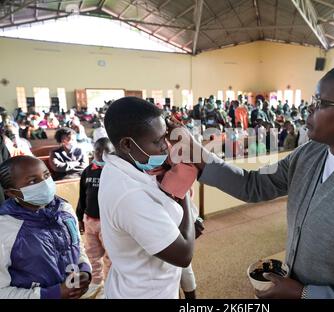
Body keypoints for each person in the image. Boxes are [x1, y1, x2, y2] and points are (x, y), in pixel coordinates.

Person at [176, 62, 334, 299]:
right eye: (312, 100)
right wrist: (201, 156)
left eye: (321, 103)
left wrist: (305, 294)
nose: (309, 110)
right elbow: (254, 184)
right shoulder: (309, 154)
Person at [99, 97, 195, 299]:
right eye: (158, 140)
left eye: (165, 138)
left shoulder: (123, 167)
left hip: (139, 281)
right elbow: (184, 254)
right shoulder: (129, 195)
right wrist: (183, 188)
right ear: (127, 144)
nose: (165, 146)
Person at [0, 156, 91, 299]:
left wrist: (84, 270)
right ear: (11, 193)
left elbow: (77, 247)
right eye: (32, 181)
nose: (45, 183)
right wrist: (52, 294)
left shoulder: (64, 209)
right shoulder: (5, 229)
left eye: (46, 175)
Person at [76, 137, 114, 297]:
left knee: (110, 256)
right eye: (98, 150)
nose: (101, 154)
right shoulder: (88, 170)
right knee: (92, 253)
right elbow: (82, 196)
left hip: (108, 222)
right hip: (89, 219)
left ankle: (109, 285)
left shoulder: (113, 171)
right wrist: (80, 217)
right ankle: (96, 282)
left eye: (106, 151)